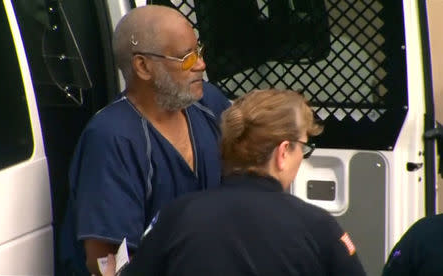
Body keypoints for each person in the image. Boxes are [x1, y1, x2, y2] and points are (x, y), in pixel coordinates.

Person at [106, 89, 366, 276]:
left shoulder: (175, 216)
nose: (302, 159)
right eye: (303, 149)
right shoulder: (318, 227)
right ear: (283, 152)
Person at [59, 5, 230, 275]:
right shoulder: (112, 138)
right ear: (143, 66)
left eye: (199, 52)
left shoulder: (208, 103)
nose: (201, 64)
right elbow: (104, 263)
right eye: (186, 58)